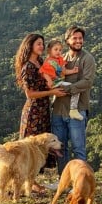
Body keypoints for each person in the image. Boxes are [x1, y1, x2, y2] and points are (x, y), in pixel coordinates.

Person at [14, 33, 66, 193]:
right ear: (30, 46)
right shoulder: (27, 67)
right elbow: (30, 94)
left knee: (40, 146)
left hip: (43, 110)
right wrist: (52, 93)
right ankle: (29, 183)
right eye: (38, 44)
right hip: (33, 112)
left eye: (43, 44)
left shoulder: (41, 62)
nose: (42, 47)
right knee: (30, 146)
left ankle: (32, 181)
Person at [51, 26, 96, 186]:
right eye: (74, 38)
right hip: (58, 109)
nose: (78, 41)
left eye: (80, 38)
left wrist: (66, 88)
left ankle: (79, 183)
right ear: (67, 40)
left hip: (78, 110)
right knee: (60, 148)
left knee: (78, 148)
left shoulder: (87, 59)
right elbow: (52, 77)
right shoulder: (61, 58)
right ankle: (63, 182)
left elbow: (87, 82)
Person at [39, 39, 83, 121]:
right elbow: (44, 72)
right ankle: (73, 110)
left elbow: (64, 71)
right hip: (54, 83)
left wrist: (73, 71)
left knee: (73, 89)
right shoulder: (48, 61)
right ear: (49, 51)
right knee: (75, 88)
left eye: (60, 50)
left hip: (59, 82)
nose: (58, 52)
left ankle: (71, 109)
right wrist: (49, 81)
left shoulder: (60, 60)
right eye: (55, 49)